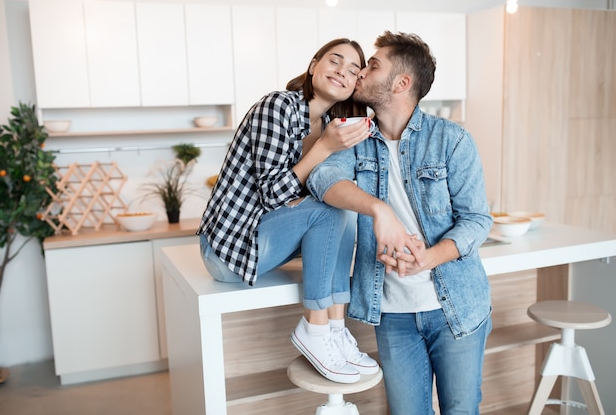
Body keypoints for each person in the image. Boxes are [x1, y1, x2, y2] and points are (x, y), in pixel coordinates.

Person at [307, 31, 493, 414]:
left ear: (402, 83)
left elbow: (477, 220)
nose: (359, 74)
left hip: (456, 305)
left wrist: (429, 258)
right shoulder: (355, 138)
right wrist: (380, 209)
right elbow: (323, 180)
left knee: (461, 409)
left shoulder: (451, 139)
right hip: (392, 313)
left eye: (372, 66)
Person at [197, 38, 379, 384]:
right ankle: (315, 327)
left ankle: (335, 330)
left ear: (356, 84)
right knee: (328, 210)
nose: (342, 72)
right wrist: (324, 147)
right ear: (313, 65)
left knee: (344, 208)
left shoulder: (329, 122)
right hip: (229, 248)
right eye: (334, 62)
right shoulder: (277, 106)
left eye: (353, 70)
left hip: (263, 239)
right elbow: (272, 194)